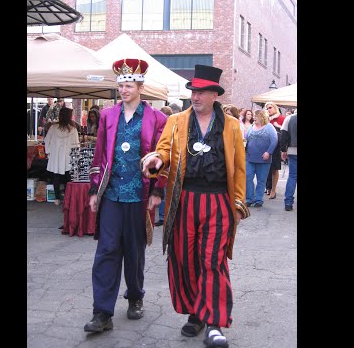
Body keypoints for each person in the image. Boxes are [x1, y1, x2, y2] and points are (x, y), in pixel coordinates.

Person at [141, 64, 250, 348]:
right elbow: (164, 150)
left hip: (218, 202)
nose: (196, 97)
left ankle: (214, 323)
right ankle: (196, 313)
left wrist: (238, 203)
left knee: (212, 261)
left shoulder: (232, 126)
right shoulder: (176, 121)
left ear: (215, 94)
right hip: (185, 199)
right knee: (185, 259)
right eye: (193, 91)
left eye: (202, 92)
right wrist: (157, 160)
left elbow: (239, 168)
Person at [83, 58, 168, 333]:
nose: (124, 89)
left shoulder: (158, 118)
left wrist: (158, 190)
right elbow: (99, 154)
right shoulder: (108, 115)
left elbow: (166, 156)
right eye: (121, 85)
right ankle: (102, 312)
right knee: (106, 250)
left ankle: (135, 297)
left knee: (134, 250)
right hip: (112, 194)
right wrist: (95, 188)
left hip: (140, 195)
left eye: (129, 84)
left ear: (140, 86)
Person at [44, 106, 80, 206]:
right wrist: (76, 157)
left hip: (56, 155)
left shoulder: (53, 127)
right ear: (69, 116)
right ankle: (68, 198)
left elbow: (47, 140)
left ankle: (57, 198)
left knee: (56, 176)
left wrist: (49, 152)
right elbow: (76, 145)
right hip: (68, 156)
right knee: (68, 176)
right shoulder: (73, 129)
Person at [245, 109, 278, 207]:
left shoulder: (269, 127)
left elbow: (274, 140)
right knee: (248, 177)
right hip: (250, 157)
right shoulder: (251, 127)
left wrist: (269, 152)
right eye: (254, 116)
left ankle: (258, 200)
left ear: (262, 117)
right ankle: (250, 198)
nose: (254, 117)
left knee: (261, 180)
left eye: (256, 116)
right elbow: (246, 139)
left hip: (264, 159)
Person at [154, 106, 173, 226]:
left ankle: (163, 216)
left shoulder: (170, 126)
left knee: (164, 190)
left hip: (166, 164)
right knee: (164, 191)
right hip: (162, 162)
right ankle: (163, 216)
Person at [264, 102, 285, 199]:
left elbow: (285, 132)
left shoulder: (281, 118)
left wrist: (278, 126)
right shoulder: (265, 119)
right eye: (267, 108)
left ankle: (273, 190)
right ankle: (266, 187)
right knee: (264, 169)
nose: (268, 109)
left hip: (276, 147)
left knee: (274, 169)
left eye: (270, 107)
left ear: (275, 108)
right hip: (265, 146)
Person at [280, 109, 297, 211]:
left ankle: (288, 203)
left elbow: (283, 136)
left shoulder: (289, 118)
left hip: (293, 151)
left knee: (292, 176)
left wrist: (283, 150)